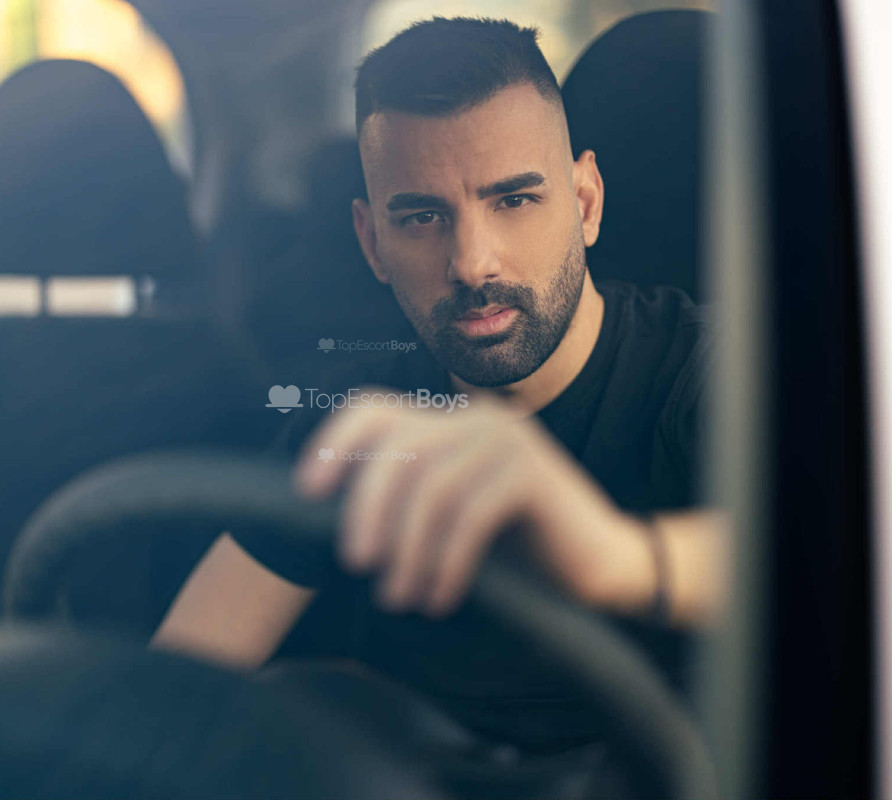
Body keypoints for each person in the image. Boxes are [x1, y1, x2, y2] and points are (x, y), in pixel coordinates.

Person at [151, 16, 728, 755]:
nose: (472, 262)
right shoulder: (364, 421)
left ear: (585, 203)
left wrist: (616, 556)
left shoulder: (707, 370)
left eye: (514, 200)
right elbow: (175, 689)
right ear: (372, 244)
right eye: (423, 217)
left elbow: (827, 549)